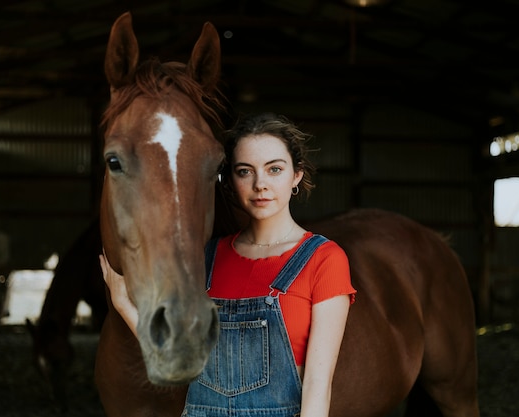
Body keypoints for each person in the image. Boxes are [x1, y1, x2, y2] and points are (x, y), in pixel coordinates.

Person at [99, 112, 356, 417]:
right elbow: (182, 360)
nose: (260, 184)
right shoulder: (207, 258)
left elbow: (317, 384)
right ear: (230, 181)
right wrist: (123, 305)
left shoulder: (324, 260)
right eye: (245, 171)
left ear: (296, 175)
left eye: (274, 169)